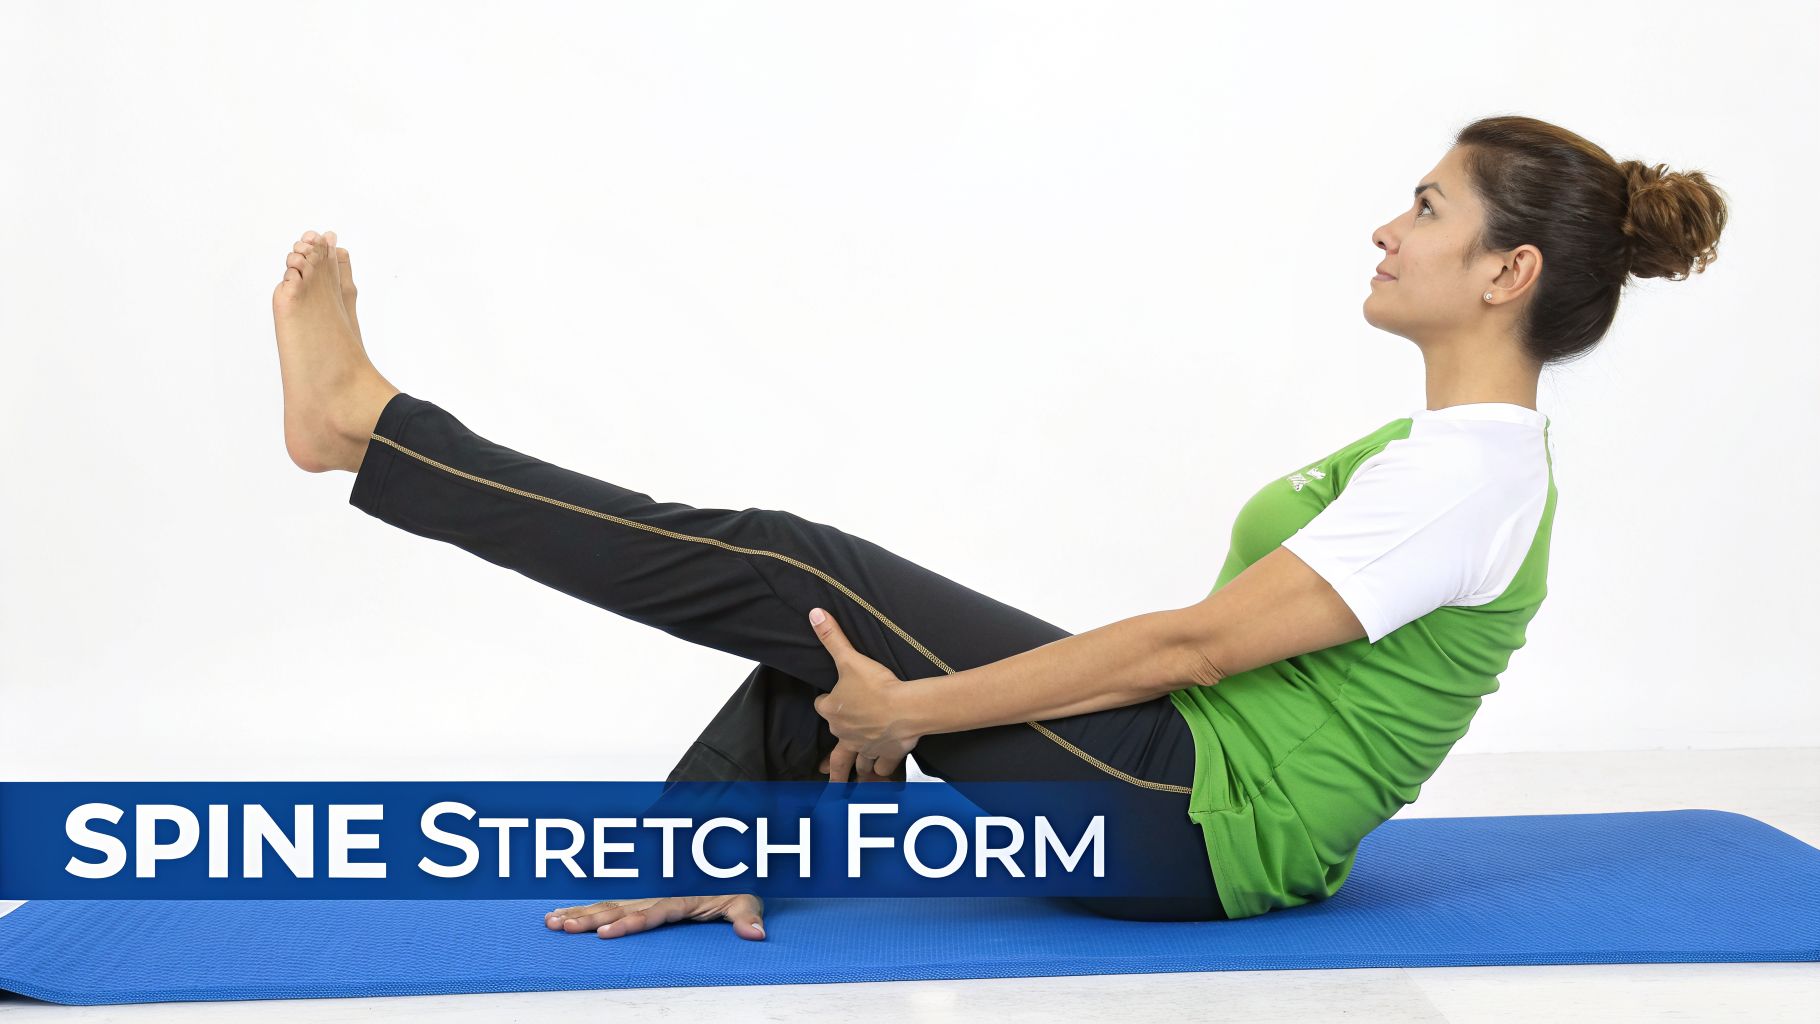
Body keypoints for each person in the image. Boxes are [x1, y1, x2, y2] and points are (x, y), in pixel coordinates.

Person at [267, 114, 1727, 941]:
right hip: (1205, 803)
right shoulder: (1447, 452)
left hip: (1203, 824)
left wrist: (918, 713)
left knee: (795, 569)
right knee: (815, 612)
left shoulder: (1470, 477)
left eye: (1426, 205)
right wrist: (900, 698)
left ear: (1506, 271)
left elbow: (1197, 646)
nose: (1387, 227)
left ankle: (371, 431)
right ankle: (714, 849)